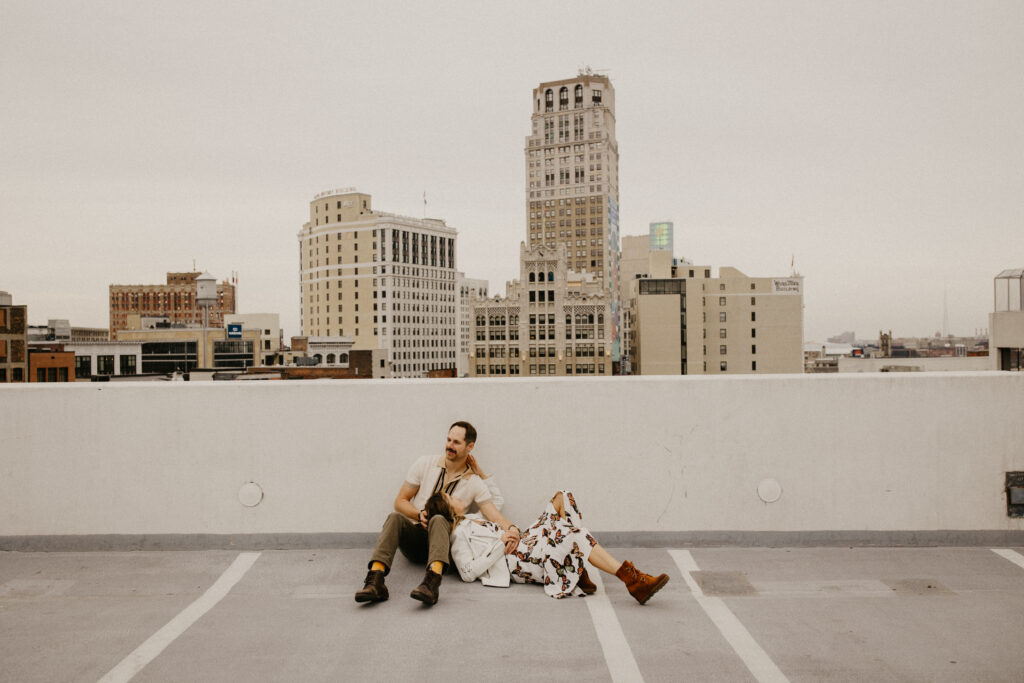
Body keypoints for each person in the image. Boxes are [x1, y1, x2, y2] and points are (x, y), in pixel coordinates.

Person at [354, 421, 519, 606]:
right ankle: (375, 581)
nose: (449, 445)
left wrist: (513, 529)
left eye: (456, 442)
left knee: (439, 519)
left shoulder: (474, 482)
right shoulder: (425, 463)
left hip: (445, 547)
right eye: (448, 439)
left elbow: (494, 515)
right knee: (394, 518)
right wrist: (419, 515)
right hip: (416, 540)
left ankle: (431, 585)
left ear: (470, 446)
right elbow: (399, 502)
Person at [434, 489, 670, 603]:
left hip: (524, 543)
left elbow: (496, 498)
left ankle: (577, 564)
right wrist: (500, 544)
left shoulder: (473, 517)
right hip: (513, 561)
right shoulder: (457, 535)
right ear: (448, 508)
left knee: (562, 497)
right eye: (450, 497)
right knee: (577, 534)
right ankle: (632, 580)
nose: (456, 497)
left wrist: (511, 531)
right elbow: (466, 573)